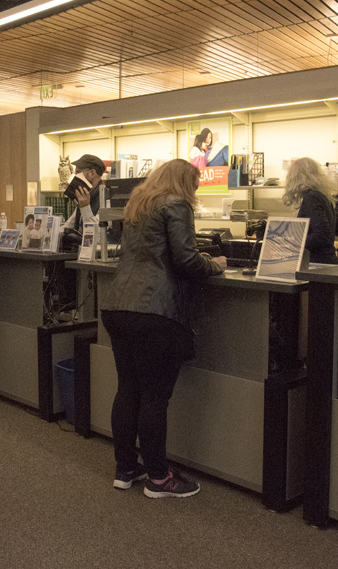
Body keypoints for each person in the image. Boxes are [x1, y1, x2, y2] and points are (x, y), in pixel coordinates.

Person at [99, 159, 227, 498]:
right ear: (186, 181)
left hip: (117, 306)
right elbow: (186, 259)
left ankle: (126, 468)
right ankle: (159, 478)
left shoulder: (137, 204)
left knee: (128, 390)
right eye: (195, 183)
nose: (196, 190)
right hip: (154, 310)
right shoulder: (177, 203)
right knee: (155, 397)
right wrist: (215, 265)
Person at [282, 157, 338, 265]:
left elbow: (322, 235)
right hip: (328, 266)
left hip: (316, 266)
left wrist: (292, 245)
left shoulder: (311, 198)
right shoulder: (323, 198)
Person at [63, 154, 105, 231]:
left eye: (78, 172)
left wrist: (85, 207)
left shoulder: (107, 199)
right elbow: (69, 225)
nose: (75, 176)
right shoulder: (84, 197)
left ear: (92, 173)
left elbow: (97, 233)